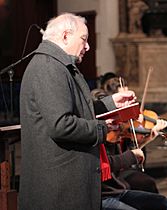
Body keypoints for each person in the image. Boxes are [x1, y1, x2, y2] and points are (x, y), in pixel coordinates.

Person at [19, 13, 137, 210]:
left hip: (66, 186)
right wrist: (103, 128)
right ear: (65, 36)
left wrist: (111, 103)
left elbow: (77, 108)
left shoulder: (56, 65)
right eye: (84, 39)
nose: (88, 46)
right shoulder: (49, 67)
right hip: (59, 190)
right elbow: (61, 125)